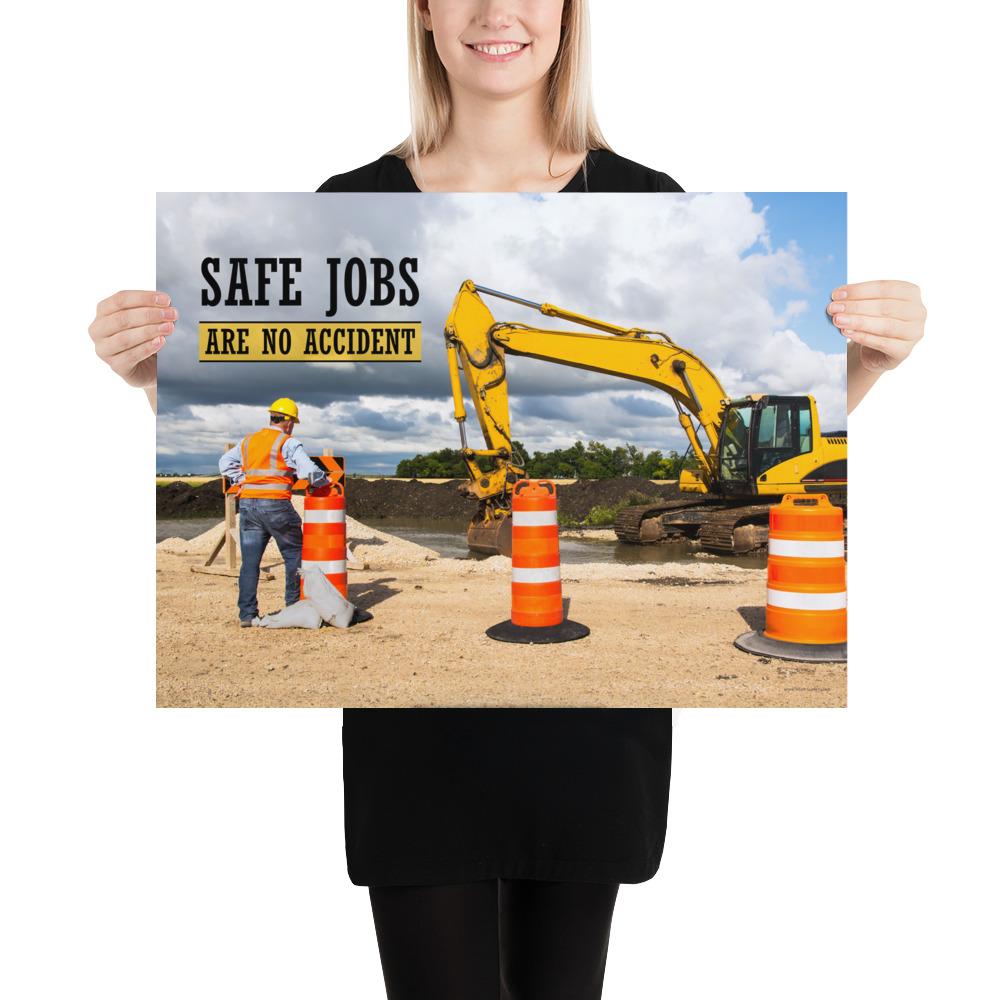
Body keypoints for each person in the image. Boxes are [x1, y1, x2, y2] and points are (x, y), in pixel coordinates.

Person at [89, 2, 926, 997]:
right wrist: (151, 376)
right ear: (423, 11)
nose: (497, 10)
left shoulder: (643, 197)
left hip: (592, 747)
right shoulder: (347, 202)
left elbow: (810, 450)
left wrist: (865, 367)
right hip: (417, 751)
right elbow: (254, 398)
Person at [218, 397, 331, 626]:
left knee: (250, 563)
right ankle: (293, 607)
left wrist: (241, 480)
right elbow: (309, 472)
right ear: (288, 422)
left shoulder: (248, 441)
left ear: (272, 417)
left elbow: (224, 463)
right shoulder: (287, 443)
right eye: (293, 423)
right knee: (294, 554)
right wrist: (324, 482)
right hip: (276, 505)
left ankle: (247, 615)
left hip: (248, 506)